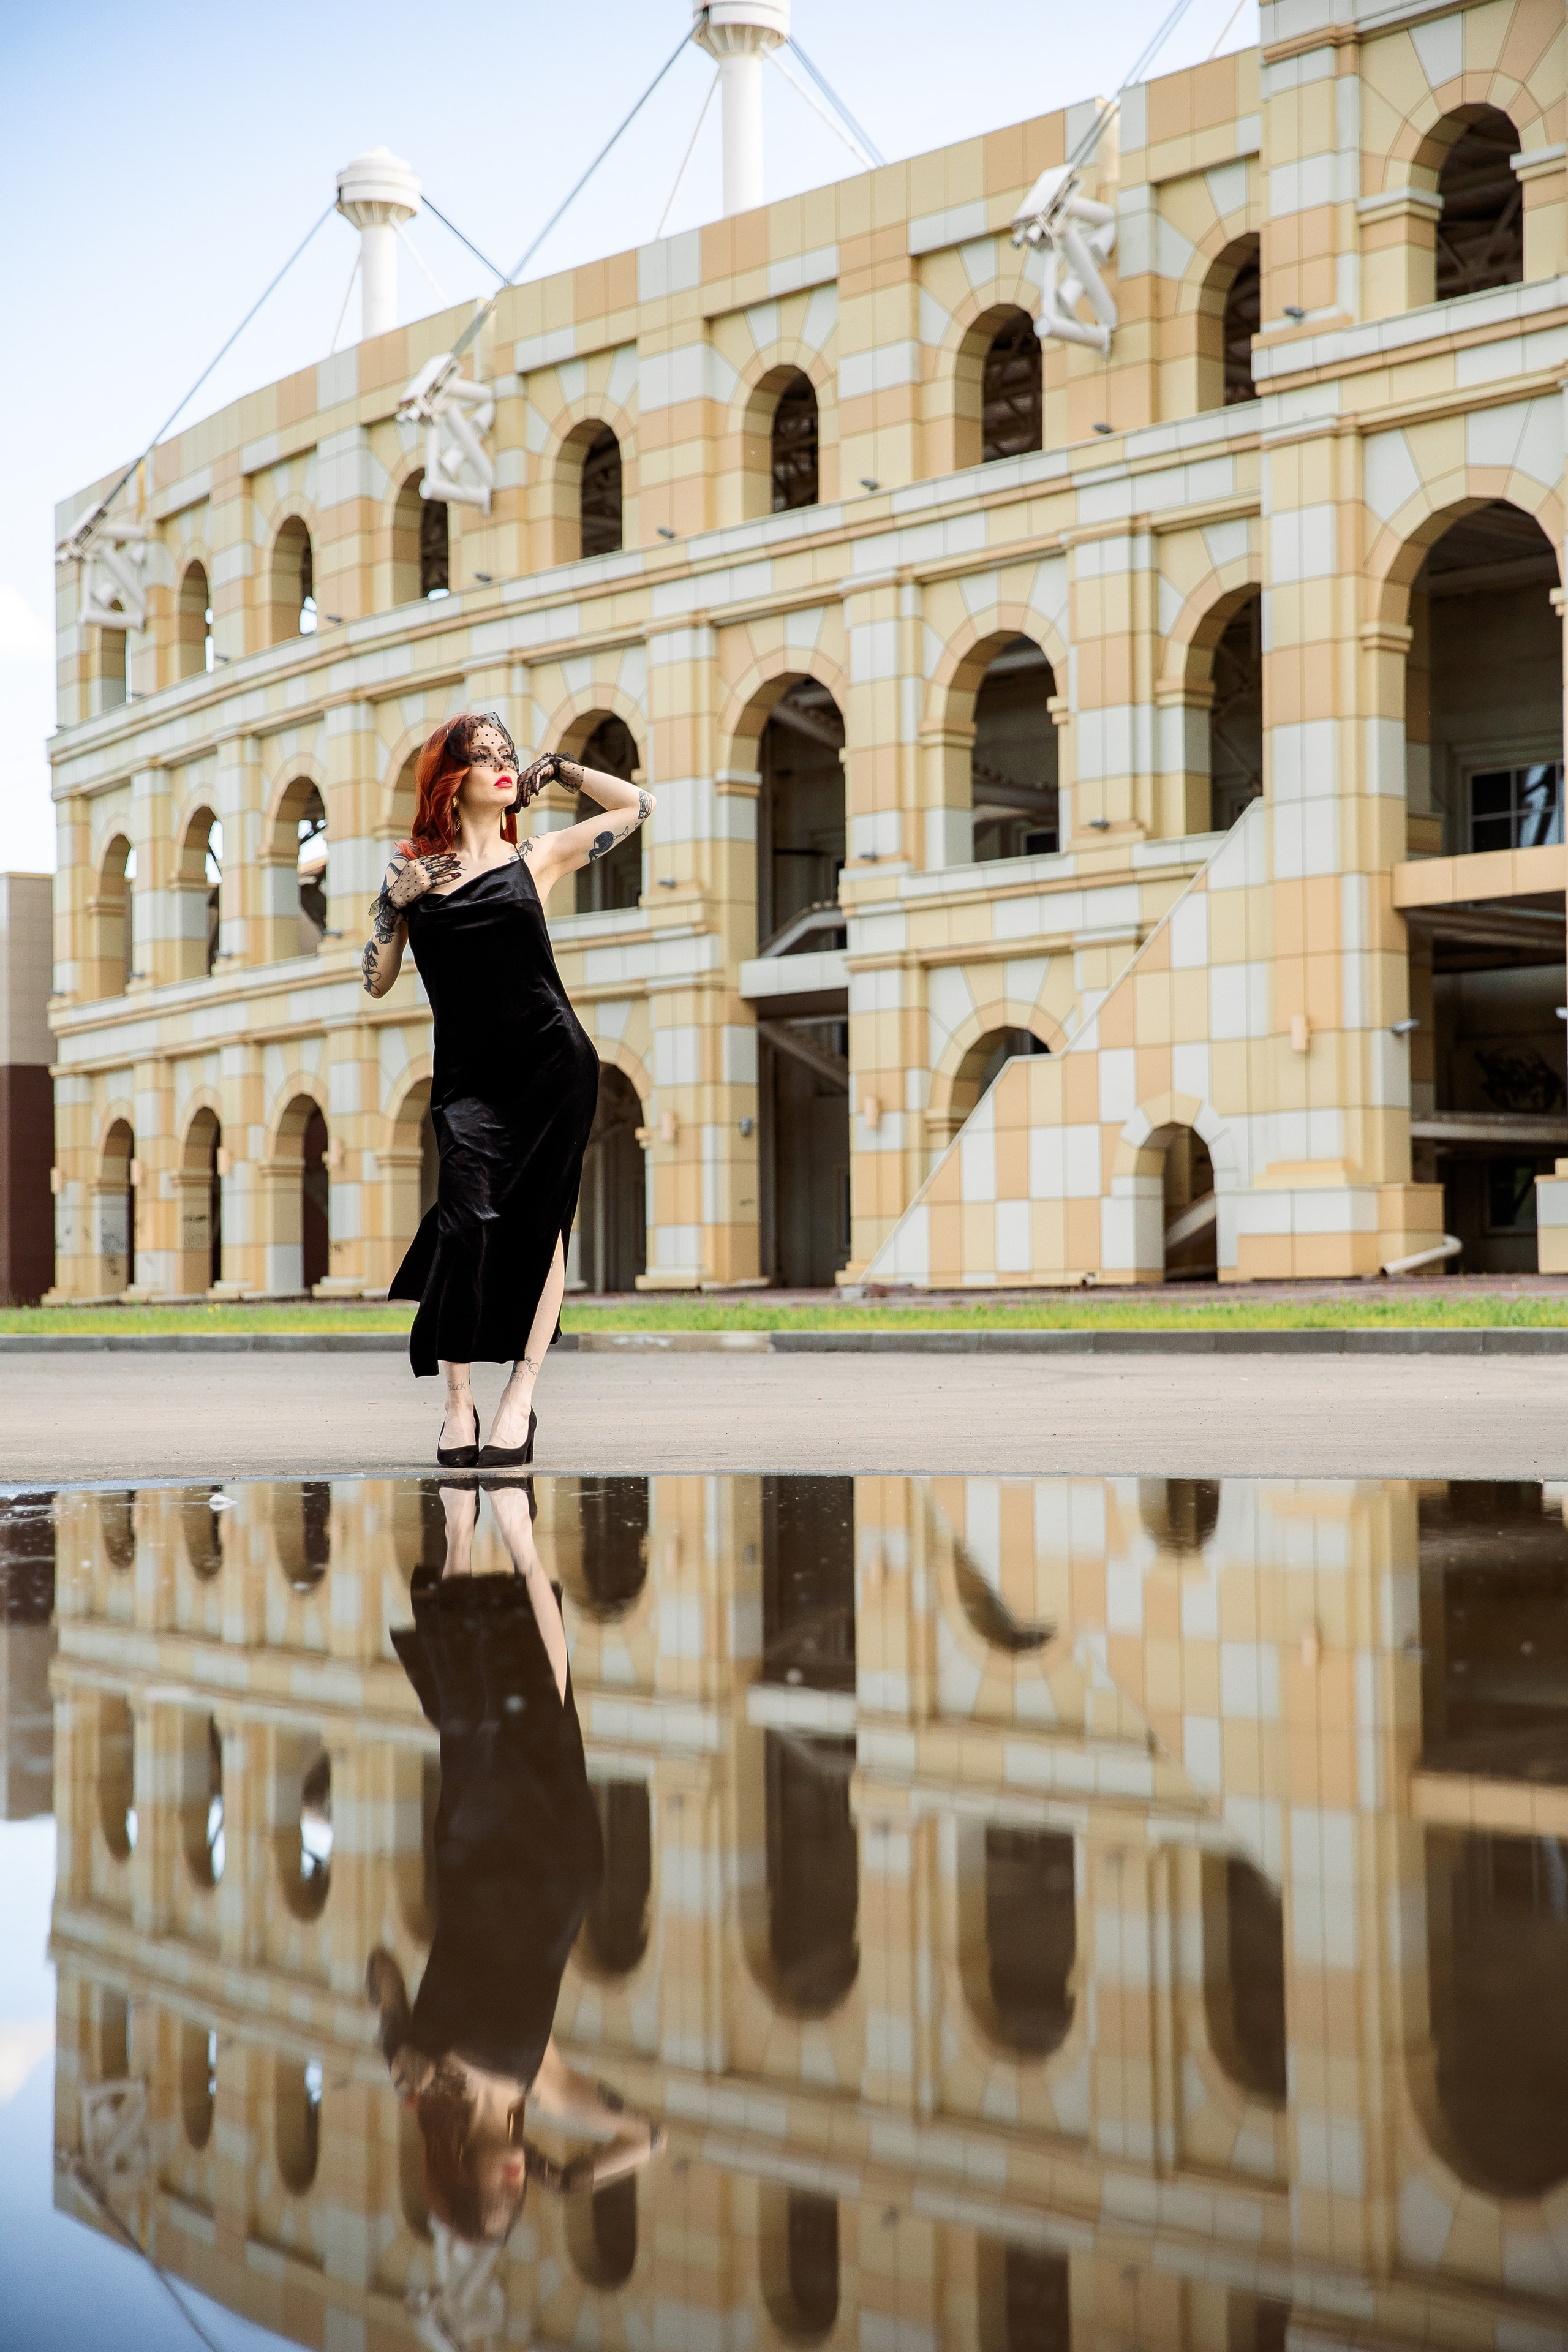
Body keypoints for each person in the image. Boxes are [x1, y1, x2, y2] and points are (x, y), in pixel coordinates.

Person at [368, 1481, 665, 2254]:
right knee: (552, 1705)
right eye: (519, 2198)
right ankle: (522, 1540)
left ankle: (462, 1533)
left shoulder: (426, 2083)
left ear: (461, 2172)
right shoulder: (543, 2087)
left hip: (478, 1857)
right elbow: (647, 2139)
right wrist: (572, 2177)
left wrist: (396, 2039)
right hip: (558, 1863)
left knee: (473, 1716)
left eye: (496, 2196)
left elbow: (380, 1973)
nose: (516, 2186)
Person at [361, 714, 654, 1466]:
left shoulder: (539, 858)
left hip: (553, 1067)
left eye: (507, 755)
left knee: (541, 1228)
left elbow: (638, 806)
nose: (501, 766)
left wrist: (561, 771)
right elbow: (377, 983)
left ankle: (521, 1395)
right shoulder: (414, 875)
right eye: (482, 756)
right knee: (465, 1224)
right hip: (467, 1082)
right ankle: (457, 1402)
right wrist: (392, 906)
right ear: (451, 779)